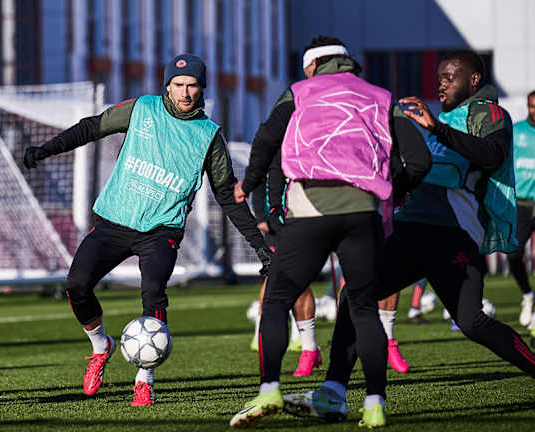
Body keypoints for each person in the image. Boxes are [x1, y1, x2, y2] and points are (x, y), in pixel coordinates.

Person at [284, 49, 535, 428]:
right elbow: (422, 172)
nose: (442, 83)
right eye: (439, 77)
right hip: (412, 231)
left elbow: (491, 154)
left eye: (451, 77)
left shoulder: (488, 112)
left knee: (472, 323)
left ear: (474, 81)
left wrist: (435, 130)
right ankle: (333, 393)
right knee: (354, 297)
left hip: (451, 237)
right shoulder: (442, 119)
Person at [23, 53, 271, 407]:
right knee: (76, 286)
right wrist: (47, 150)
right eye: (178, 85)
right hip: (114, 219)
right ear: (167, 86)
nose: (185, 92)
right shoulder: (142, 109)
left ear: (202, 89)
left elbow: (228, 197)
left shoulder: (208, 136)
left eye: (192, 85)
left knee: (153, 291)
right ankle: (100, 347)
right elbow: (92, 127)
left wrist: (260, 247)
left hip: (161, 230)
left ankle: (145, 379)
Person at [229, 36, 431, 428]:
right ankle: (374, 405)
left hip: (311, 207)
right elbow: (419, 160)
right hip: (364, 210)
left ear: (311, 67)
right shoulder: (380, 96)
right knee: (362, 307)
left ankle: (269, 388)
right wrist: (398, 190)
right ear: (348, 64)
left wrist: (249, 183)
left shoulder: (300, 91)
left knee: (276, 300)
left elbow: (267, 138)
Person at [251, 181, 322, 377]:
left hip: (306, 216)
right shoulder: (270, 153)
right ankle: (264, 331)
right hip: (277, 222)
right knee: (275, 276)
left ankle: (307, 346)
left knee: (301, 278)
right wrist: (261, 215)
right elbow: (257, 183)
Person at [507, 90, 535, 329]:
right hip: (522, 204)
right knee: (513, 254)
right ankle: (527, 294)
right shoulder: (516, 131)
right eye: (532, 106)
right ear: (528, 106)